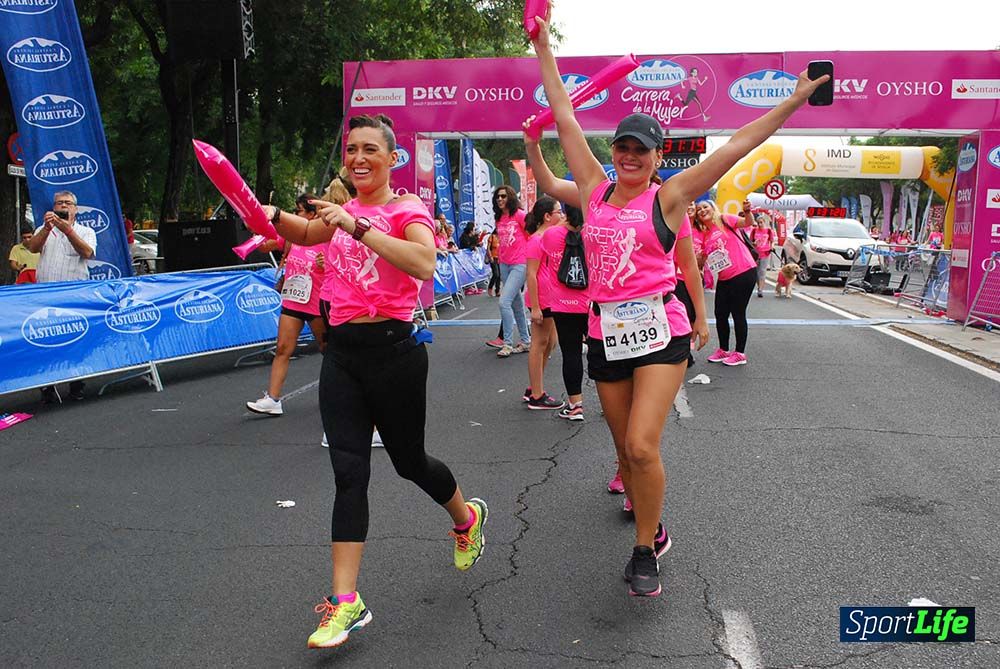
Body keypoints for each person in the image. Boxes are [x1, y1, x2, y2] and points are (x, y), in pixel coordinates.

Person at [531, 8, 826, 597]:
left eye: (641, 149)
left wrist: (793, 102)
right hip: (604, 333)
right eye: (622, 146)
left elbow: (738, 144)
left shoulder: (669, 197)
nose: (629, 156)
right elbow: (563, 112)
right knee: (623, 450)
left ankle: (644, 550)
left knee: (643, 444)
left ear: (658, 156)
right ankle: (654, 522)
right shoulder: (593, 189)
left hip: (659, 330)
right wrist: (542, 45)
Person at [264, 113, 487, 648]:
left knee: (410, 463)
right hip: (342, 356)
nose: (358, 158)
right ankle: (346, 601)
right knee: (349, 473)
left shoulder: (407, 210)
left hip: (395, 355)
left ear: (391, 158)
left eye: (369, 149)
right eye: (352, 149)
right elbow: (304, 232)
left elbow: (424, 263)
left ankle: (466, 518)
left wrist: (356, 225)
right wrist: (263, 211)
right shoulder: (343, 211)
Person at [523, 129, 589, 421]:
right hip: (586, 302)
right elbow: (532, 273)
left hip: (562, 304)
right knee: (598, 352)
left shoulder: (549, 237)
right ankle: (612, 402)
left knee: (567, 351)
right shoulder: (593, 234)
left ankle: (574, 405)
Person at [246, 193, 330, 417]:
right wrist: (256, 225)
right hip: (293, 301)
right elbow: (265, 246)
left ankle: (339, 391)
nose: (295, 214)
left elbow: (341, 266)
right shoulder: (292, 237)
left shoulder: (326, 236)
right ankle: (273, 399)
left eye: (299, 211)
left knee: (328, 350)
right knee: (283, 348)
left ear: (312, 214)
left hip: (316, 303)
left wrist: (327, 263)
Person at [25, 191, 97, 402]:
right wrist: (48, 228)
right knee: (46, 340)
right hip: (46, 294)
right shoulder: (43, 228)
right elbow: (32, 248)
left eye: (67, 203)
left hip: (74, 295)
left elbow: (87, 253)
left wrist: (68, 231)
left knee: (74, 339)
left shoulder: (86, 231)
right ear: (54, 207)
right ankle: (47, 386)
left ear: (75, 209)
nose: (63, 206)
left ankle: (76, 384)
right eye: (59, 203)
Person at [692, 199, 757, 366]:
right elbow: (704, 259)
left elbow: (748, 222)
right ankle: (723, 349)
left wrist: (747, 211)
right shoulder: (705, 235)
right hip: (724, 277)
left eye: (705, 207)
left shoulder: (725, 219)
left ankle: (740, 353)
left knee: (738, 313)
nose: (702, 210)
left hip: (743, 271)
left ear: (713, 208)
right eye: (699, 210)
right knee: (720, 313)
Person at [523, 196, 565, 410]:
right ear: (548, 216)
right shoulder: (536, 240)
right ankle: (537, 395)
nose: (562, 215)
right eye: (558, 211)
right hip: (541, 298)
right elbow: (531, 274)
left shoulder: (549, 237)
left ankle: (535, 386)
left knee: (550, 342)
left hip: (551, 297)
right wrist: (536, 307)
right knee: (539, 344)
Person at [491, 185, 532, 357]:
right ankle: (526, 340)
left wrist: (531, 260)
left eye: (503, 196)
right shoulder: (499, 218)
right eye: (497, 197)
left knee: (504, 302)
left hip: (520, 263)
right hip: (504, 264)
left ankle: (507, 343)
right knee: (516, 305)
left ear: (510, 197)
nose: (500, 199)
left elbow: (532, 236)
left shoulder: (520, 215)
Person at [750, 212, 776, 297]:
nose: (760, 224)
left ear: (764, 222)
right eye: (758, 223)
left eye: (761, 222)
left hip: (765, 253)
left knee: (762, 271)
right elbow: (750, 242)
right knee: (757, 272)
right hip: (756, 253)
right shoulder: (754, 230)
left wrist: (772, 246)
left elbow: (772, 241)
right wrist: (754, 243)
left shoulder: (768, 231)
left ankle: (760, 289)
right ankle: (759, 287)